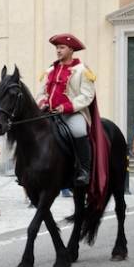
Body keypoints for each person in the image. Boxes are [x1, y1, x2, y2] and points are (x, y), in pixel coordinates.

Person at [35, 33, 105, 189]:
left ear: (71, 49)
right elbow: (41, 92)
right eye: (57, 48)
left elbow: (87, 95)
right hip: (49, 112)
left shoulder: (82, 70)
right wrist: (43, 102)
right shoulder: (50, 70)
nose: (58, 51)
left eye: (62, 47)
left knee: (79, 130)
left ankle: (84, 170)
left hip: (72, 113)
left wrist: (66, 107)